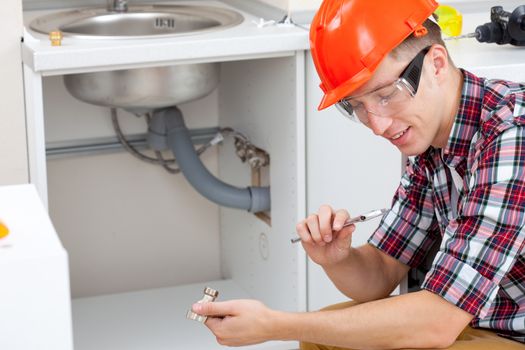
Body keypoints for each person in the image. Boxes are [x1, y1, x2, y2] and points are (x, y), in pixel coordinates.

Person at [190, 0, 525, 348]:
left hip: (504, 331)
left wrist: (276, 325)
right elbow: (380, 273)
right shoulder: (429, 140)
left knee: (317, 330)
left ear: (436, 64)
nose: (378, 125)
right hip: (471, 317)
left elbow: (437, 321)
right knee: (322, 340)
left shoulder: (510, 135)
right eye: (358, 107)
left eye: (385, 95)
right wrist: (338, 259)